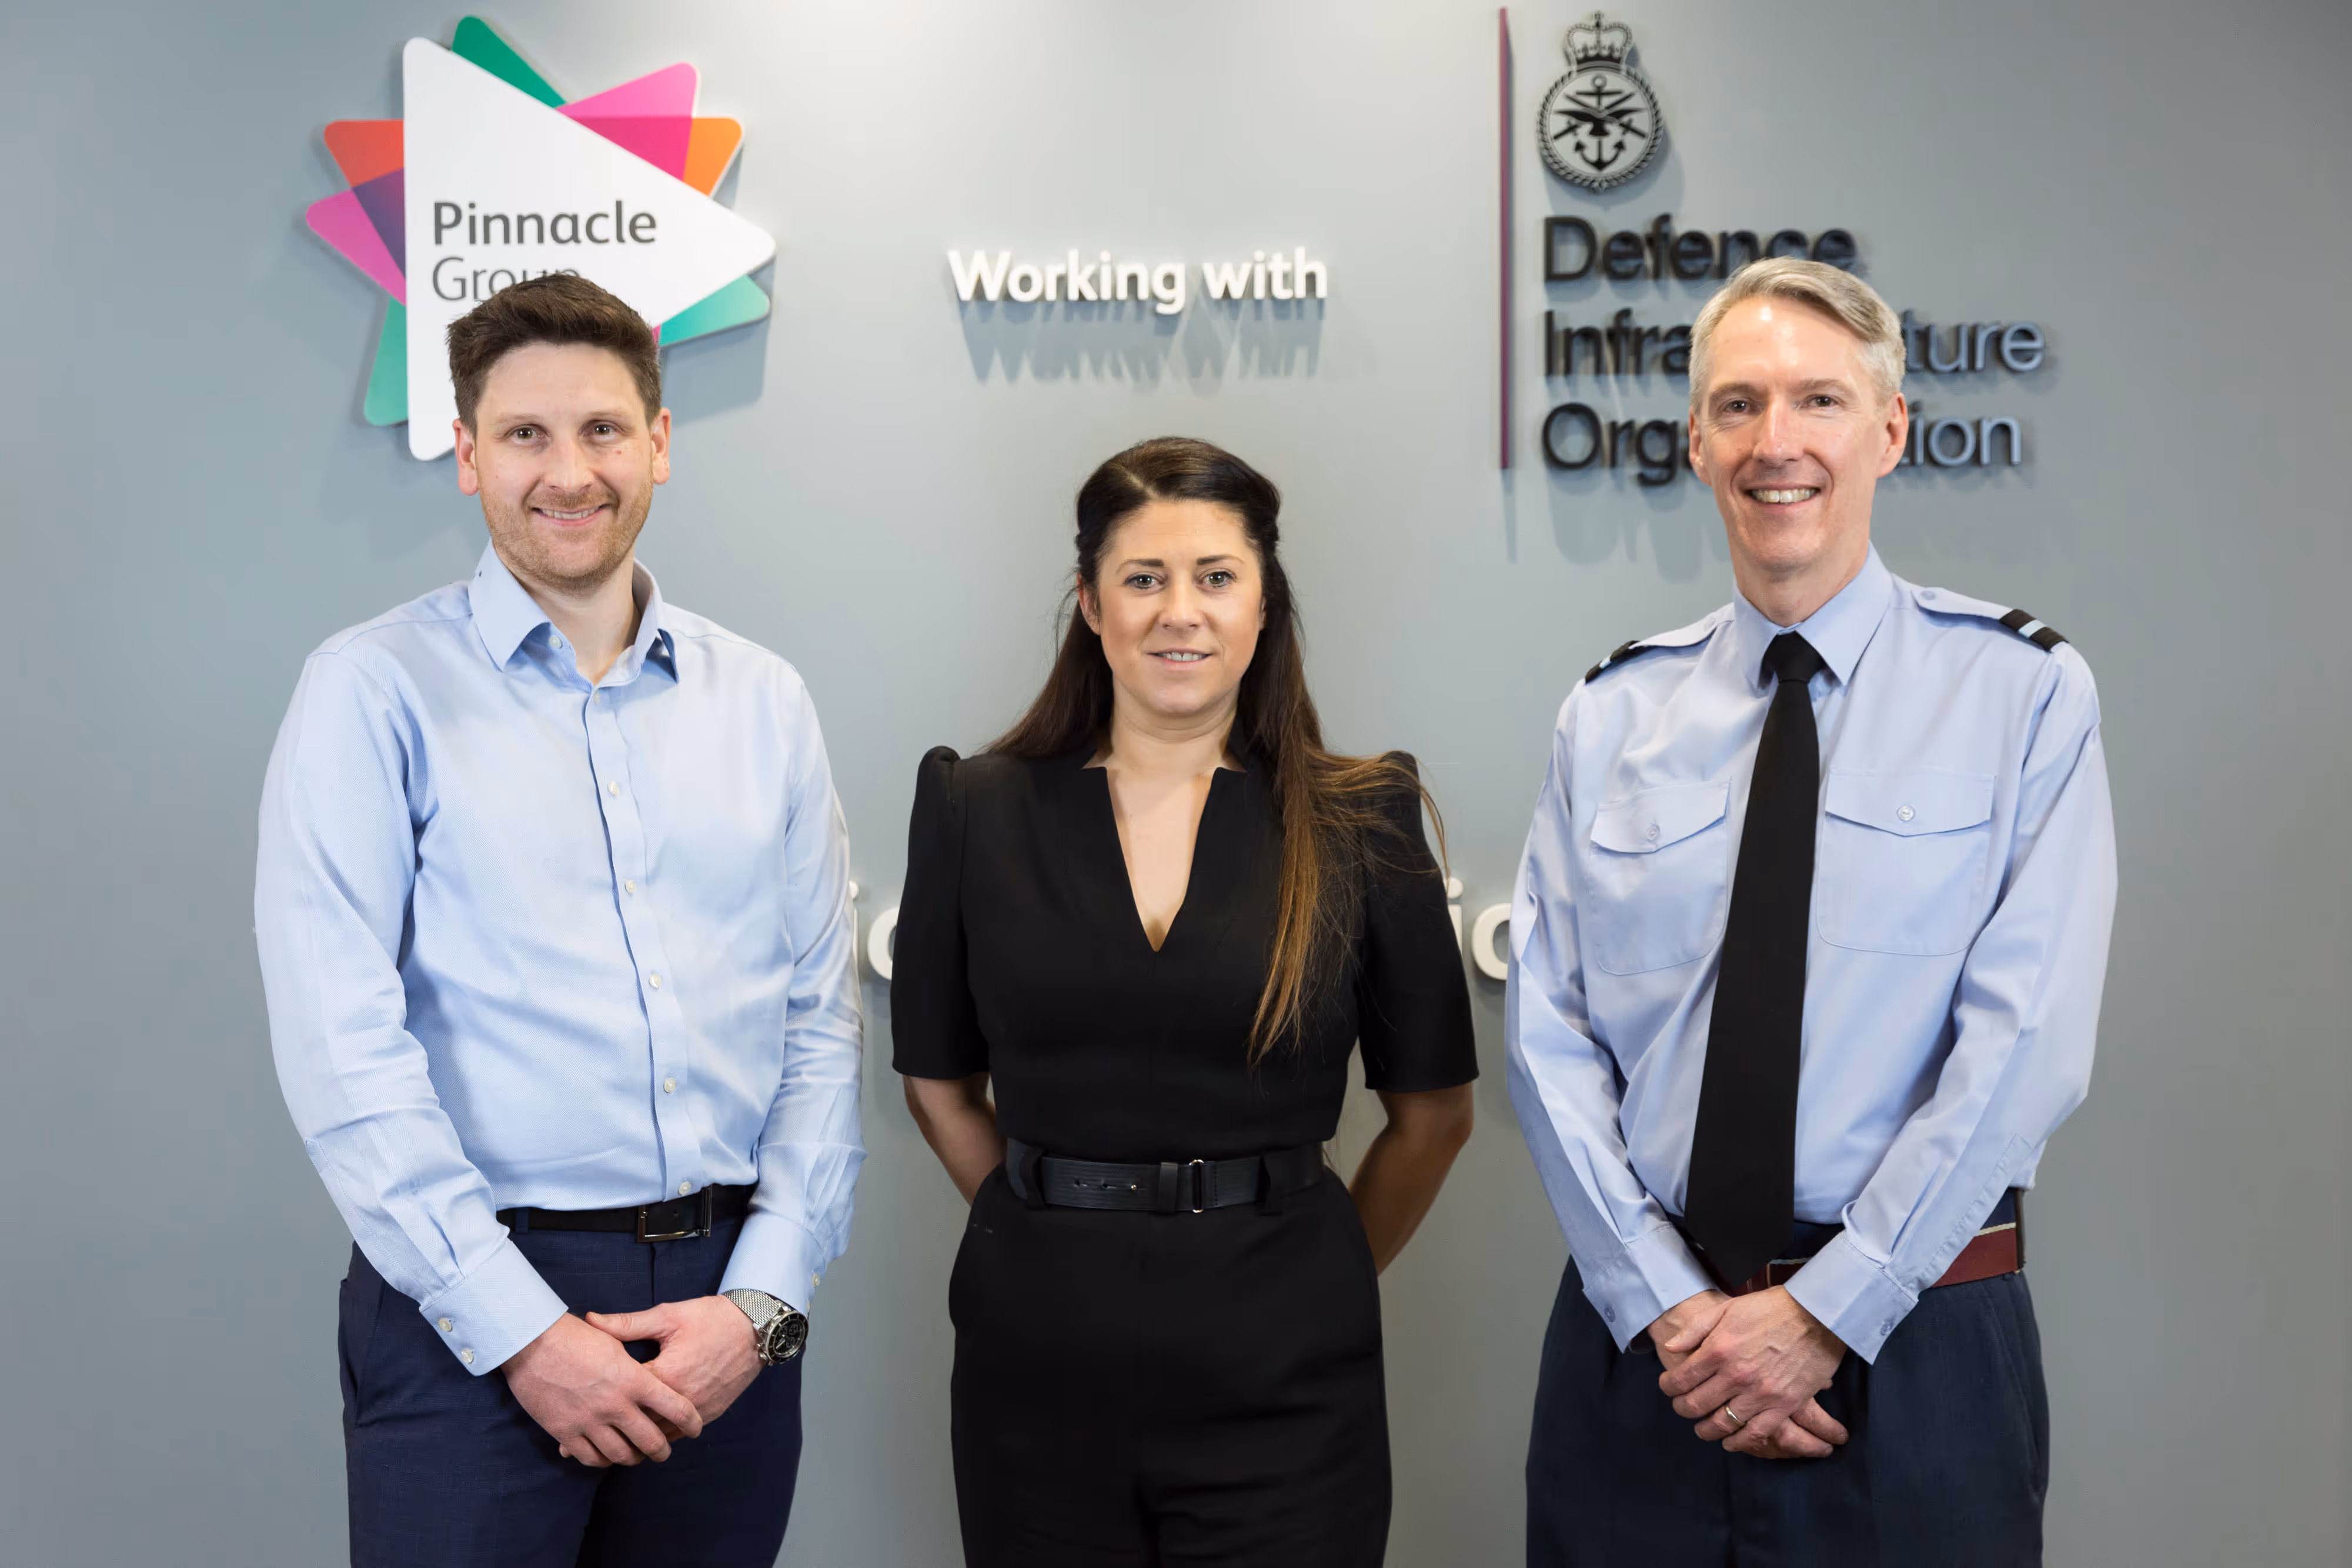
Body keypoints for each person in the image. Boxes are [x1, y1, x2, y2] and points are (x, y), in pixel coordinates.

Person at [1506, 258, 2116, 1565]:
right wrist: (1669, 1306)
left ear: (1888, 430)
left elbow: (2025, 1045)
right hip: (1645, 1355)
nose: (1773, 442)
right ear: (1692, 441)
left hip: (1914, 1348)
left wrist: (1827, 1311)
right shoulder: (1609, 715)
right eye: (1736, 405)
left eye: (1817, 401)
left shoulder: (2020, 696)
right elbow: (1547, 1039)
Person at [255, 274, 862, 1567]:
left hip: (722, 1321)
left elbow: (817, 1022)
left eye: (600, 429)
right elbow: (340, 1045)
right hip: (467, 1313)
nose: (567, 470)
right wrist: (521, 1332)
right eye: (525, 434)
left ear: (658, 443)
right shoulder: (371, 694)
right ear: (468, 456)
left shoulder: (763, 701)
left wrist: (761, 1301)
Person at [892, 436, 1478, 1567]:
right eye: (1143, 578)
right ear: (1091, 605)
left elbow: (1432, 1114)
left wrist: (1312, 1271)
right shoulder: (975, 806)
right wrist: (1041, 1223)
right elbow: (937, 1085)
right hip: (1037, 1367)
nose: (1181, 612)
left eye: (1216, 576)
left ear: (1264, 605)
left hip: (1290, 1377)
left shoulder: (1362, 819)